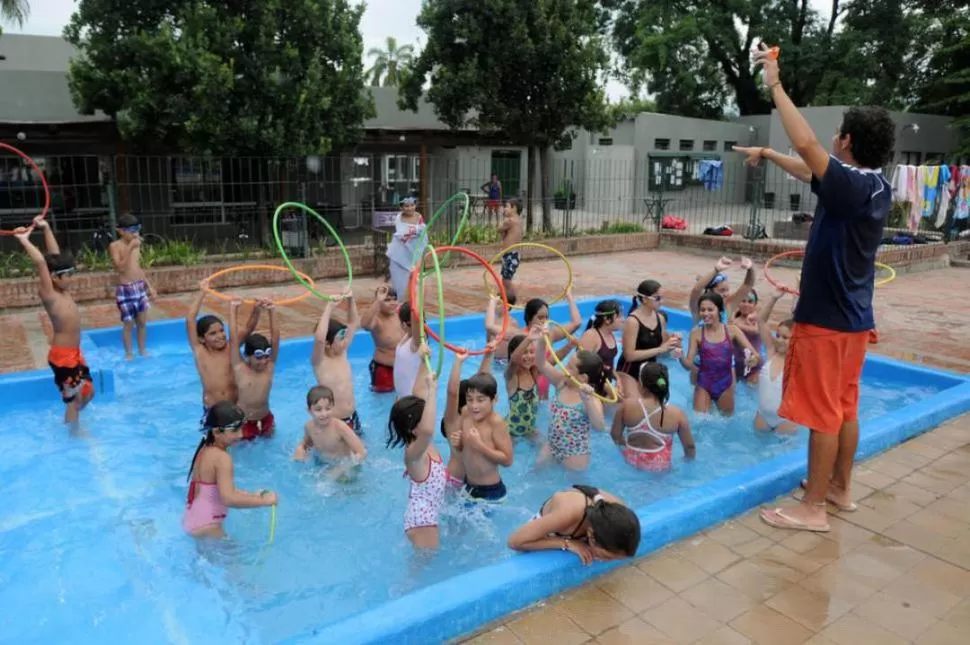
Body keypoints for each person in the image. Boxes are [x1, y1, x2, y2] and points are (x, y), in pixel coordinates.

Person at [738, 45, 894, 531]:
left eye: (836, 136)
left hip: (828, 319)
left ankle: (813, 509)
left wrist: (775, 84)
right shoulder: (872, 184)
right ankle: (839, 490)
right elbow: (810, 169)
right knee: (844, 407)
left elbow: (809, 150)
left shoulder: (850, 183)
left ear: (846, 141)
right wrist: (767, 153)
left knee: (823, 413)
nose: (830, 140)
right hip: (854, 320)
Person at [14, 218, 94, 428]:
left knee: (88, 392)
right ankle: (73, 432)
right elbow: (41, 262)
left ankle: (73, 419)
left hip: (75, 353)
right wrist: (24, 240)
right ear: (54, 278)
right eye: (67, 275)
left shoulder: (62, 290)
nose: (71, 278)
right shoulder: (49, 294)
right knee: (73, 400)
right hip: (62, 357)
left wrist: (47, 228)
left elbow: (53, 256)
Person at [183, 401, 278, 538]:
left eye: (241, 428)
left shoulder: (204, 449)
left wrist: (252, 496)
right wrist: (264, 502)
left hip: (193, 518)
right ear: (216, 432)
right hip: (209, 527)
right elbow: (228, 498)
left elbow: (213, 491)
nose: (240, 435)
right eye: (235, 430)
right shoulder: (222, 458)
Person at [387, 344, 446, 549]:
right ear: (413, 429)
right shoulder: (414, 452)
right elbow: (428, 429)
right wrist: (434, 391)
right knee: (422, 573)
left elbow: (417, 394)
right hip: (422, 521)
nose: (430, 415)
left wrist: (423, 361)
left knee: (423, 568)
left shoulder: (421, 443)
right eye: (425, 416)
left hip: (426, 516)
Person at [507, 485, 641, 565]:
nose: (607, 562)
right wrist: (567, 543)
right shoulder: (567, 514)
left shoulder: (619, 513)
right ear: (591, 535)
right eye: (607, 557)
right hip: (551, 527)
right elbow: (514, 542)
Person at [187, 281, 258, 420]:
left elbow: (249, 329)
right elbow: (190, 318)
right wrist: (203, 292)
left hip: (236, 408)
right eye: (213, 334)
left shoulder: (232, 347)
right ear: (202, 339)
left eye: (221, 331)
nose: (220, 336)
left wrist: (257, 308)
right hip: (212, 411)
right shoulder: (200, 352)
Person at [682, 293, 759, 415]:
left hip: (726, 385)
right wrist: (680, 355)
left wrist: (752, 359)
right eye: (702, 310)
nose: (705, 313)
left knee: (726, 422)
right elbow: (688, 365)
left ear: (720, 311)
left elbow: (755, 355)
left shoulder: (732, 330)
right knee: (699, 422)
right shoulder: (696, 333)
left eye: (710, 309)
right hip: (703, 384)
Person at [536, 345, 608, 471]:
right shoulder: (562, 383)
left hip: (574, 453)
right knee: (535, 474)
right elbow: (541, 364)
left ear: (582, 377)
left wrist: (588, 400)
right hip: (552, 444)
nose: (563, 368)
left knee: (572, 488)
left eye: (569, 367)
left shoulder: (591, 399)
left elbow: (599, 426)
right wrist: (542, 339)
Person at [611, 363, 694, 471]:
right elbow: (689, 446)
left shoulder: (627, 406)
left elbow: (615, 435)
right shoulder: (677, 414)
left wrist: (624, 445)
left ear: (641, 385)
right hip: (659, 470)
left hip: (630, 463)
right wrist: (688, 462)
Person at [617, 280, 681, 398]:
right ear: (645, 299)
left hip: (650, 371)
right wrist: (661, 349)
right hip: (629, 371)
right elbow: (629, 355)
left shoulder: (660, 318)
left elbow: (663, 347)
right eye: (657, 298)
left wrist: (674, 344)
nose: (662, 302)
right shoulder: (632, 322)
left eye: (662, 298)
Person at [457, 370, 513, 504]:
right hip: (468, 485)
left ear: (494, 400)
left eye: (480, 400)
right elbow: (463, 449)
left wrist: (480, 446)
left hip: (490, 491)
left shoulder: (496, 423)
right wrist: (458, 443)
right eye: (469, 399)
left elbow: (507, 460)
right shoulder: (465, 413)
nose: (474, 405)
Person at [311, 291, 363, 434]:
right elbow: (319, 338)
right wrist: (329, 307)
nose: (345, 340)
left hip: (353, 417)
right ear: (328, 344)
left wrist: (351, 299)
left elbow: (352, 323)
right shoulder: (320, 361)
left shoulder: (342, 352)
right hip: (333, 422)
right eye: (341, 338)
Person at [228, 299, 279, 440]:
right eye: (258, 357)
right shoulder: (239, 368)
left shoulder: (270, 367)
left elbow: (275, 338)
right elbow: (233, 339)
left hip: (266, 419)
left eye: (266, 356)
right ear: (247, 356)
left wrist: (272, 310)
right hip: (245, 423)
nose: (263, 361)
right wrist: (233, 309)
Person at [441, 348, 494, 484]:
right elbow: (452, 392)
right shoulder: (453, 421)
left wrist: (488, 355)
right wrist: (458, 362)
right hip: (455, 481)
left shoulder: (477, 418)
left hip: (474, 481)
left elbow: (483, 382)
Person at [108, 213, 156, 359]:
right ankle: (129, 354)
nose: (135, 234)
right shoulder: (115, 246)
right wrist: (129, 248)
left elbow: (137, 267)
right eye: (131, 231)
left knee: (142, 323)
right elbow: (120, 268)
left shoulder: (136, 244)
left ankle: (142, 350)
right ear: (120, 231)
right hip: (125, 290)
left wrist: (149, 286)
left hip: (139, 287)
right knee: (128, 325)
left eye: (137, 230)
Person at [294, 386, 367, 481]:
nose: (324, 414)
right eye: (318, 410)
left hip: (345, 465)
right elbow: (306, 443)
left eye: (328, 408)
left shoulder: (340, 427)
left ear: (333, 406)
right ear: (309, 411)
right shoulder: (309, 426)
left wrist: (340, 469)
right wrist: (300, 449)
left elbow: (362, 453)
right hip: (322, 463)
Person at [753, 290, 798, 434]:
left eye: (785, 337)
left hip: (786, 420)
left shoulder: (798, 362)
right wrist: (773, 298)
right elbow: (760, 321)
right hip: (762, 416)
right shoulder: (771, 352)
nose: (779, 340)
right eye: (778, 335)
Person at [524, 292, 582, 399]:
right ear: (529, 318)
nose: (544, 321)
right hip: (528, 387)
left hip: (544, 384)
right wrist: (568, 347)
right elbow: (541, 365)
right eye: (540, 317)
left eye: (546, 317)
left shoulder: (550, 334)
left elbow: (577, 323)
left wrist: (569, 296)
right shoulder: (523, 339)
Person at [360, 284, 404, 393]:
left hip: (402, 368)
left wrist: (414, 280)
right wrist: (378, 301)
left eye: (394, 299)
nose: (392, 303)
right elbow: (365, 325)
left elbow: (412, 302)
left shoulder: (400, 314)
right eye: (387, 300)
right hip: (383, 370)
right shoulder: (377, 320)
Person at [578, 299, 624, 397]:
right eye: (619, 316)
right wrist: (607, 387)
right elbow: (579, 369)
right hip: (589, 391)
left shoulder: (610, 334)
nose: (623, 319)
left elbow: (607, 364)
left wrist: (617, 378)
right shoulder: (591, 336)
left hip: (603, 387)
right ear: (607, 319)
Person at [689, 256, 755, 323]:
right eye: (722, 290)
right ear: (710, 291)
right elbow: (696, 290)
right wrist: (716, 270)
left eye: (727, 290)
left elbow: (748, 285)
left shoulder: (727, 308)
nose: (726, 294)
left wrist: (750, 268)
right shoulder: (699, 309)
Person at [386, 197, 426, 301]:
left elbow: (423, 235)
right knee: (398, 276)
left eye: (412, 205)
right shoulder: (399, 217)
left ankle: (412, 300)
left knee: (413, 277)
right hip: (399, 251)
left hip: (413, 252)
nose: (409, 208)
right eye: (406, 206)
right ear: (402, 207)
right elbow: (400, 233)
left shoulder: (419, 217)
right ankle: (399, 298)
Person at [504, 330, 541, 439]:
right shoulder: (512, 377)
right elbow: (514, 361)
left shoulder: (533, 371)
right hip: (511, 431)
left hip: (529, 428)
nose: (528, 356)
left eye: (531, 352)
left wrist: (569, 345)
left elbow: (553, 360)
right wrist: (529, 338)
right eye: (524, 352)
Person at [394, 301, 423, 400]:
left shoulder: (417, 343)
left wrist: (420, 291)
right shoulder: (406, 336)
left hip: (412, 401)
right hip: (401, 398)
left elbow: (416, 317)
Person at [732, 289, 762, 385]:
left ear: (755, 304)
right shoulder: (734, 319)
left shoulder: (756, 319)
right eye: (743, 301)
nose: (746, 304)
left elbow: (756, 330)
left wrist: (736, 326)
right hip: (736, 367)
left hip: (753, 367)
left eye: (750, 302)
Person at [496, 197, 524, 302]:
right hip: (510, 254)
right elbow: (504, 234)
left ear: (514, 208)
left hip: (511, 254)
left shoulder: (511, 221)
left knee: (506, 279)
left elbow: (498, 229)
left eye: (506, 207)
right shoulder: (518, 221)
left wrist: (502, 227)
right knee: (505, 278)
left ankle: (511, 299)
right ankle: (504, 295)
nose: (504, 209)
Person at [485, 294, 522, 359]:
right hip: (493, 357)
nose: (494, 306)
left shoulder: (512, 322)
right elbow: (488, 336)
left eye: (498, 303)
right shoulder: (493, 318)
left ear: (507, 307)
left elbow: (515, 341)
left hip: (504, 359)